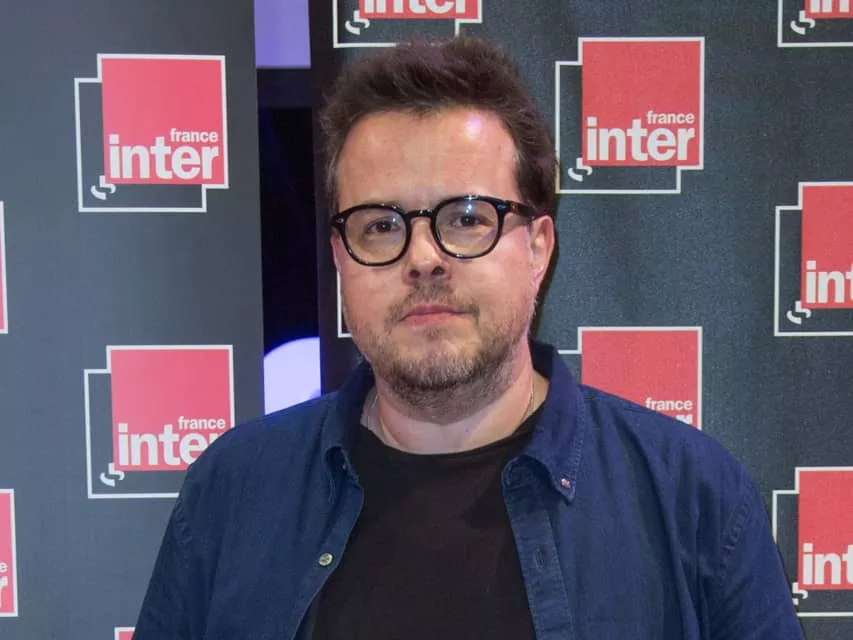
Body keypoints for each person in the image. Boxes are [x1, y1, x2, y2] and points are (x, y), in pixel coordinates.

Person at [133, 37, 804, 639]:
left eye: (466, 218)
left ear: (537, 247)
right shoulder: (232, 494)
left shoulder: (693, 500)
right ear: (339, 258)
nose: (423, 258)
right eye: (380, 226)